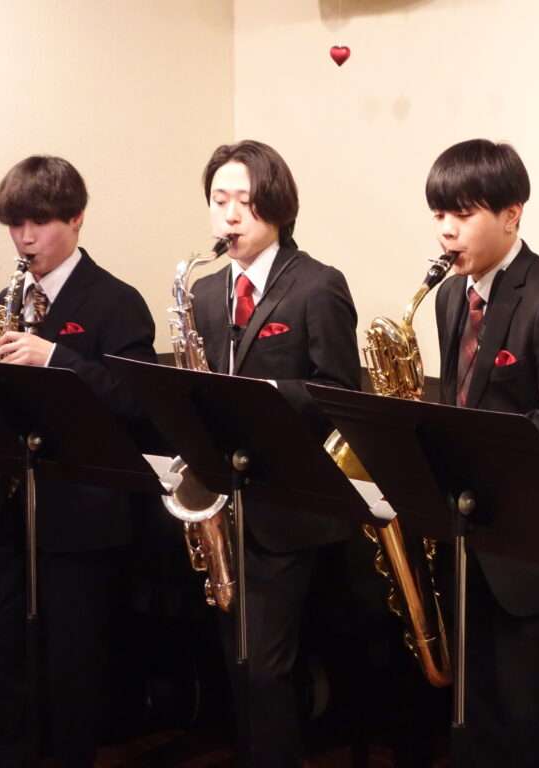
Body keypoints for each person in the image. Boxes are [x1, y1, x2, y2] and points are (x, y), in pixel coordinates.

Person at [429, 138, 539, 768]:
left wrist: (475, 441)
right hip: (471, 544)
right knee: (479, 718)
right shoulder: (451, 296)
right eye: (439, 215)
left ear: (512, 214)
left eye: (463, 214)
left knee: (536, 728)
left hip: (535, 555)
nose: (447, 231)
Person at [0, 155, 158, 767]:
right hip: (14, 509)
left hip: (83, 515)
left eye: (40, 223)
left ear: (76, 218)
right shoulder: (11, 295)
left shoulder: (116, 301)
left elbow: (139, 403)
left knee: (71, 669)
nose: (25, 239)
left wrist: (55, 358)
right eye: (15, 224)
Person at [190, 139, 360, 767]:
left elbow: (341, 395)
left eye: (246, 201)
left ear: (278, 206)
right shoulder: (206, 292)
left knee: (266, 669)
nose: (230, 215)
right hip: (224, 503)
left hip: (289, 507)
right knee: (236, 668)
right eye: (220, 200)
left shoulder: (317, 285)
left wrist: (262, 396)